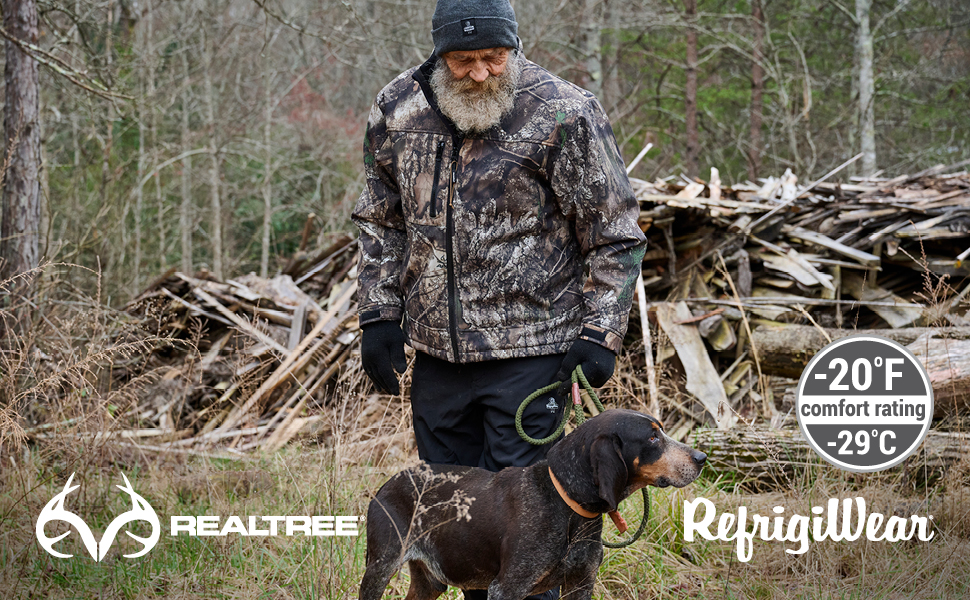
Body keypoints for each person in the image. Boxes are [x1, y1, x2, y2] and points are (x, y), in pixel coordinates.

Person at [352, 1, 645, 595]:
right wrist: (378, 317)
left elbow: (614, 233)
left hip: (533, 357)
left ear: (515, 47)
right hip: (436, 357)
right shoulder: (397, 108)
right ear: (439, 55)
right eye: (463, 61)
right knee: (457, 525)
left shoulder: (562, 111)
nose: (481, 73)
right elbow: (381, 221)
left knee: (531, 529)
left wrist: (599, 333)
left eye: (494, 57)